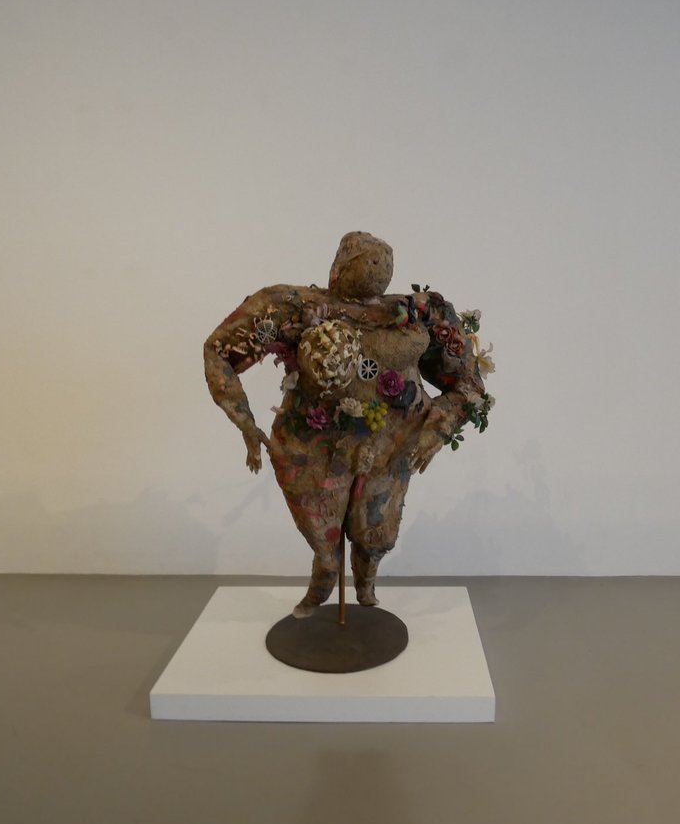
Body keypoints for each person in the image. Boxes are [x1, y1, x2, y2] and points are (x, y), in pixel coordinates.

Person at [204, 232, 492, 618]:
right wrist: (244, 420)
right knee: (318, 519)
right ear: (338, 266)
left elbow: (467, 382)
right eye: (363, 258)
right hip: (315, 439)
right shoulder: (293, 306)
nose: (376, 264)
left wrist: (438, 428)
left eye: (381, 258)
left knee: (377, 527)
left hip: (392, 441)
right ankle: (325, 570)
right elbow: (219, 350)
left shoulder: (419, 312)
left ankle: (366, 580)